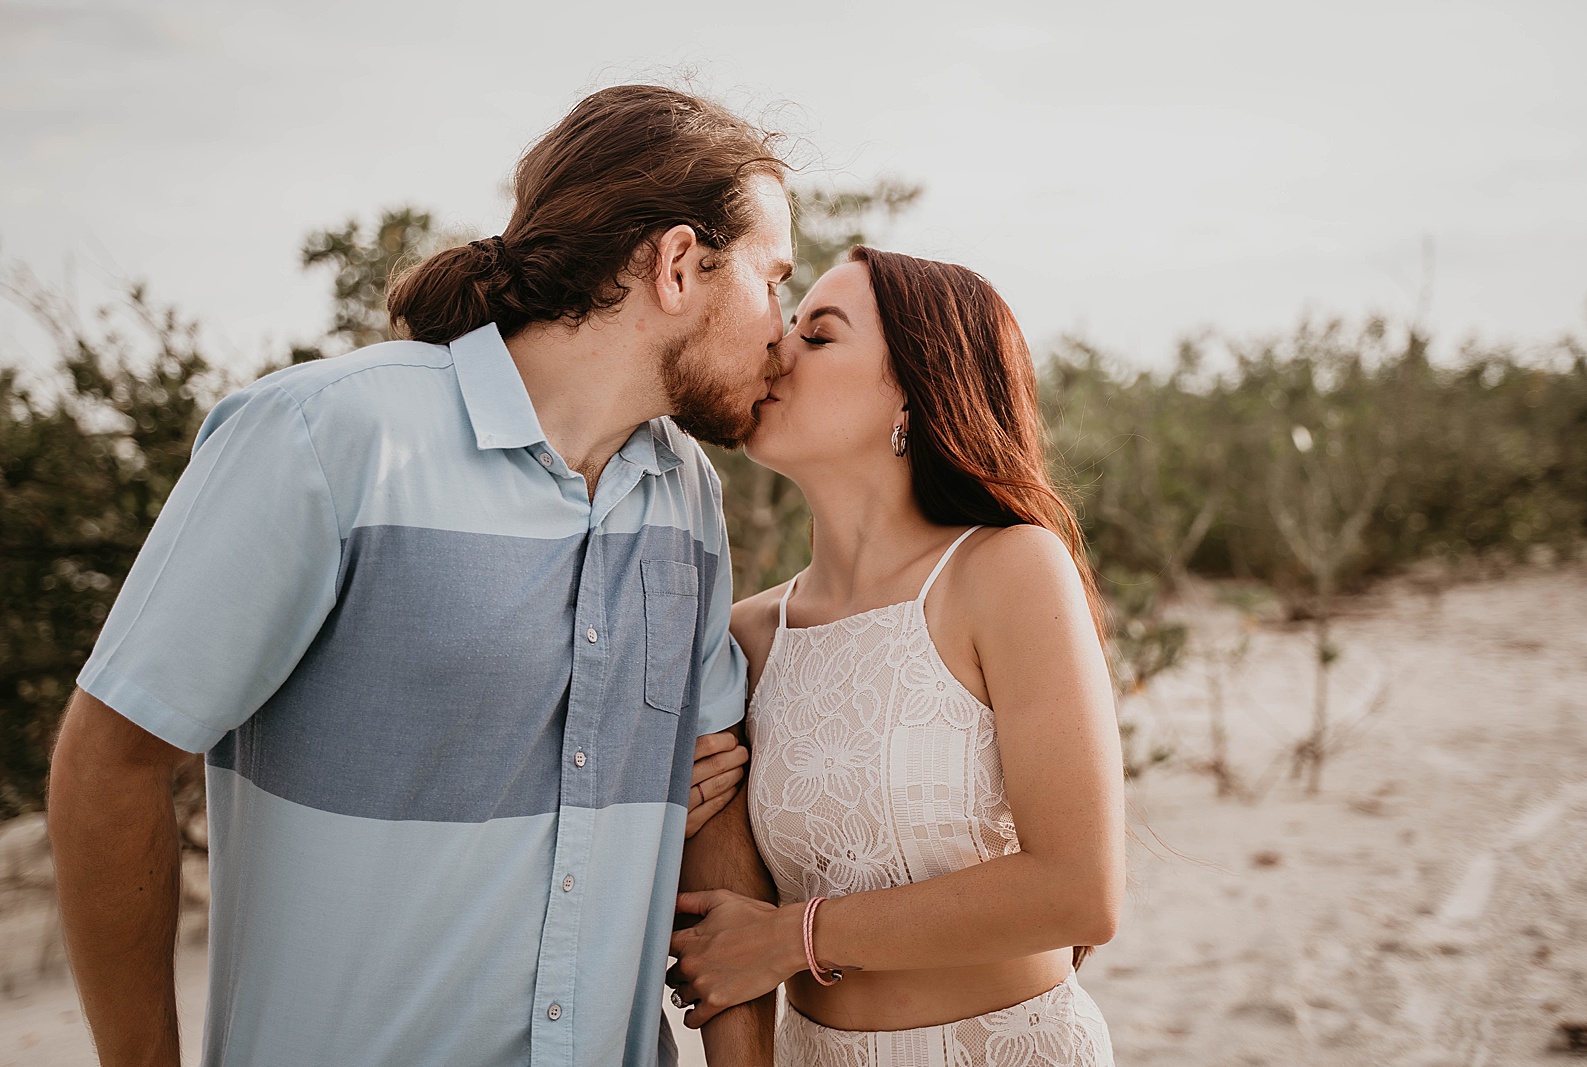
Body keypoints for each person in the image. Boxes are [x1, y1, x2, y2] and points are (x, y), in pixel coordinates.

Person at [47, 84, 789, 1067]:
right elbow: (109, 760)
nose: (783, 323)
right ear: (680, 264)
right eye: (773, 278)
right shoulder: (326, 436)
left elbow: (713, 794)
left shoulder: (682, 491)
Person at [666, 247, 1125, 1065]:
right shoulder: (744, 636)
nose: (778, 346)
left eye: (820, 333)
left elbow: (1081, 890)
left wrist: (793, 937)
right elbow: (724, 930)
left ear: (914, 386)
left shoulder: (1008, 571)